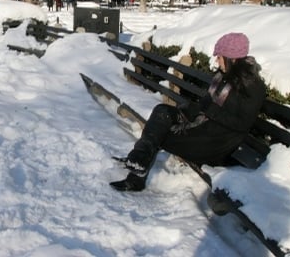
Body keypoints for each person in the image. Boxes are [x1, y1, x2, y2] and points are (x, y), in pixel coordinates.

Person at [110, 32, 267, 192]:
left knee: (158, 132)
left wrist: (209, 110)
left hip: (215, 145)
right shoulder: (225, 77)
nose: (217, 61)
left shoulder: (252, 86)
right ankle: (139, 160)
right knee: (162, 111)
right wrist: (191, 109)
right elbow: (206, 107)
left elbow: (242, 124)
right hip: (204, 129)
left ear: (232, 58)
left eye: (219, 57)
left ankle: (138, 168)